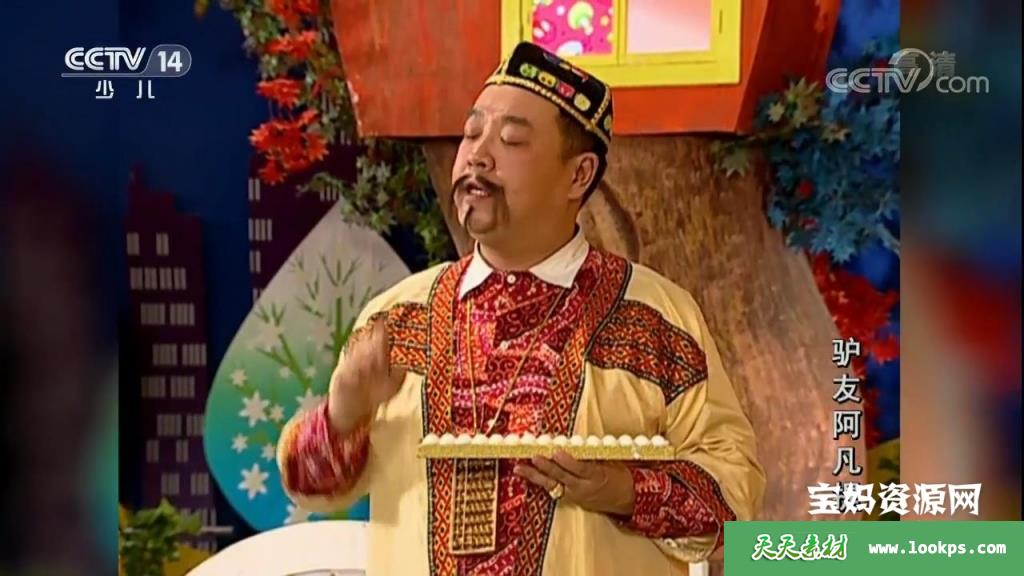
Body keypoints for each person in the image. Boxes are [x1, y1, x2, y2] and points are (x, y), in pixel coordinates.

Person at [277, 41, 764, 576]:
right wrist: (342, 414)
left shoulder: (655, 319)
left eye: (511, 140)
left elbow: (734, 502)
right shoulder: (397, 319)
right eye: (471, 134)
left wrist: (623, 490)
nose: (477, 156)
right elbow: (310, 489)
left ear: (578, 175)